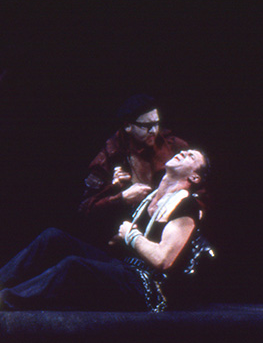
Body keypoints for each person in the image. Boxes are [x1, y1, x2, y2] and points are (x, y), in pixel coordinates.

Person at [0, 149, 209, 314]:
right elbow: (117, 235)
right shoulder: (149, 195)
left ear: (195, 178)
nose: (183, 153)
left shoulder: (186, 205)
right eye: (185, 151)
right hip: (127, 267)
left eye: (191, 157)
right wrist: (122, 226)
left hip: (150, 289)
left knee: (74, 266)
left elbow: (164, 259)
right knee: (54, 238)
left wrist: (132, 236)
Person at [78, 94, 189, 244]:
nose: (153, 131)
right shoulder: (109, 156)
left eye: (156, 123)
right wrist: (120, 198)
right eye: (146, 126)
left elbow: (200, 188)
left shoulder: (174, 147)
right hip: (122, 239)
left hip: (169, 233)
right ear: (128, 126)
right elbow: (85, 209)